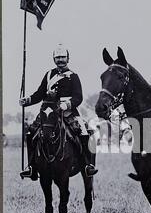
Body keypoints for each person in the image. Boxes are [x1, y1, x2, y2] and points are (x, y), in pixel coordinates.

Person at [19, 44, 97, 180]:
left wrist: (67, 105)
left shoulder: (73, 76)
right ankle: (31, 167)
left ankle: (87, 165)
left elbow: (78, 97)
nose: (60, 60)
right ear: (54, 59)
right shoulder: (49, 74)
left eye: (63, 57)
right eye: (58, 57)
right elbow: (39, 94)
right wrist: (28, 100)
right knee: (31, 132)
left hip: (69, 112)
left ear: (68, 58)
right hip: (48, 110)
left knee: (84, 132)